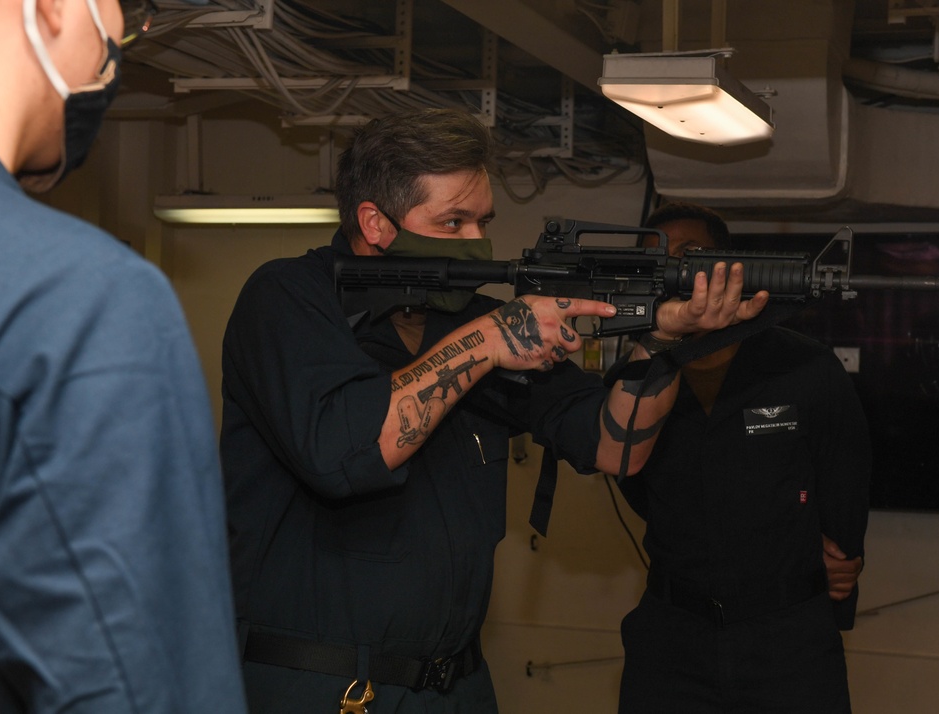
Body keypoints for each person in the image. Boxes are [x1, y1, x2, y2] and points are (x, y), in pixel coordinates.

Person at [220, 109, 769, 713]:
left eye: (481, 222)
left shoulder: (469, 320)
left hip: (456, 687)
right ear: (375, 223)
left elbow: (615, 447)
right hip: (322, 689)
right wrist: (485, 342)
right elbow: (346, 451)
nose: (474, 242)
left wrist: (663, 342)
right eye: (451, 221)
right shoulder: (289, 300)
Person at [0, 0, 247, 712]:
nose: (118, 50)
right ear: (51, 8)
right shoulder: (79, 299)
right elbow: (141, 682)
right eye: (120, 20)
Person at [617, 202, 872, 713]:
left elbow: (845, 482)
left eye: (689, 255)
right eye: (657, 258)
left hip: (789, 641)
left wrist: (839, 558)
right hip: (671, 640)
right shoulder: (638, 375)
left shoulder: (804, 367)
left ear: (728, 264)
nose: (674, 269)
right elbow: (631, 475)